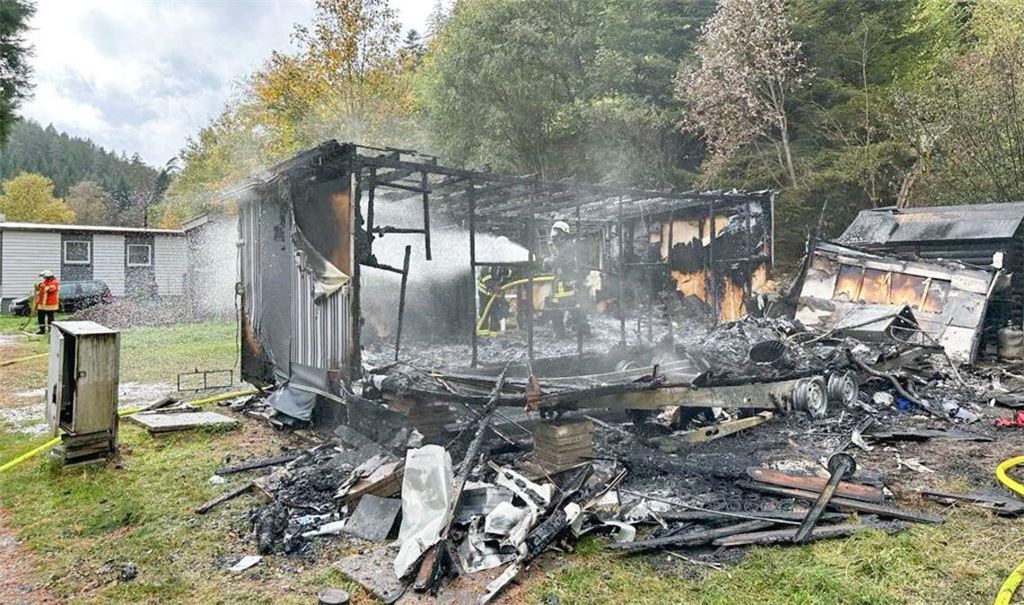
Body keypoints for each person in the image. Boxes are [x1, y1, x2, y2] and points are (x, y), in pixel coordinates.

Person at [545, 220, 590, 338]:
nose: (554, 238)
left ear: (563, 235)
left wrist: (546, 261)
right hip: (561, 284)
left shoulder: (567, 248)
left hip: (567, 284)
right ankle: (562, 333)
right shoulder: (562, 248)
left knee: (571, 307)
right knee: (557, 308)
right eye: (553, 234)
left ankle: (582, 331)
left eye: (556, 234)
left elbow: (556, 262)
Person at [33, 270, 60, 335]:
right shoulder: (45, 282)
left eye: (45, 277)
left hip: (50, 304)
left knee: (50, 318)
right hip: (42, 304)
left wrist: (42, 286)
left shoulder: (54, 282)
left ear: (49, 277)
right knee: (40, 317)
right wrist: (39, 285)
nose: (44, 278)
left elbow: (50, 288)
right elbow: (39, 287)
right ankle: (42, 329)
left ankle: (51, 330)